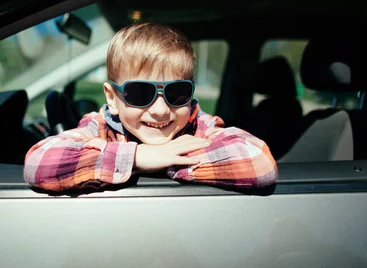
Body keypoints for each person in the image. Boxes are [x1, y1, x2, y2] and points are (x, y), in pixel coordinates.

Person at [24, 22, 277, 192]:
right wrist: (137, 157)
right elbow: (38, 163)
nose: (160, 110)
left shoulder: (197, 124)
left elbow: (259, 162)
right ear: (112, 97)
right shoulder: (100, 125)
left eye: (177, 93)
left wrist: (169, 160)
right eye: (140, 92)